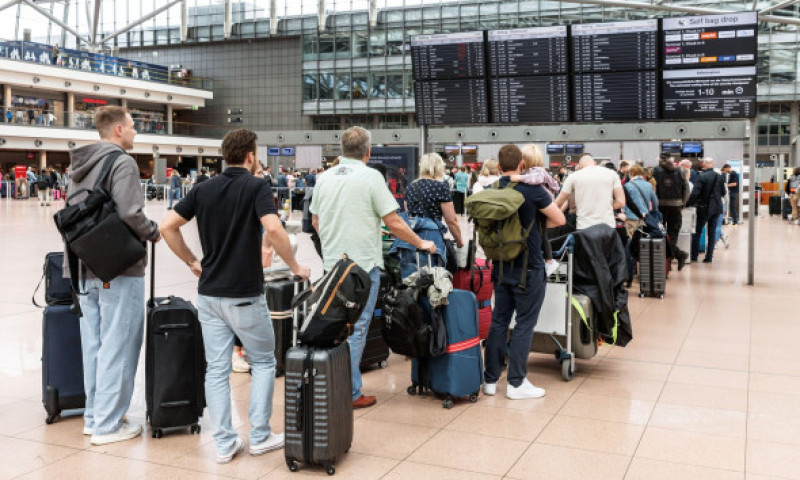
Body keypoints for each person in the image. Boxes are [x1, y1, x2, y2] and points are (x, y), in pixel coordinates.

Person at [160, 129, 310, 464]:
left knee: (216, 369)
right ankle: (259, 435)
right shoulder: (256, 185)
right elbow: (273, 228)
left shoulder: (202, 189)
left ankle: (225, 442)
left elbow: (167, 226)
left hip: (209, 295)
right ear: (251, 156)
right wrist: (296, 265)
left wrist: (192, 262)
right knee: (263, 361)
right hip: (244, 294)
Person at [310, 126, 435, 410]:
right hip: (362, 267)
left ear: (342, 150)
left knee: (337, 326)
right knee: (357, 328)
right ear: (368, 152)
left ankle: (333, 384)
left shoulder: (324, 178)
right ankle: (350, 393)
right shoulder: (371, 177)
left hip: (332, 265)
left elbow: (316, 222)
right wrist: (421, 243)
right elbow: (393, 222)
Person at [65, 106, 161, 445]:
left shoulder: (79, 164)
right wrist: (153, 231)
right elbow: (131, 212)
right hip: (118, 266)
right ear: (118, 129)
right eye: (134, 127)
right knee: (119, 345)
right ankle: (108, 425)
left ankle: (95, 417)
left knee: (95, 345)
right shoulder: (122, 162)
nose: (136, 132)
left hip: (83, 266)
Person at [483, 144, 565, 400]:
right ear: (522, 166)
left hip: (500, 265)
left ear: (499, 167)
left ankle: (489, 380)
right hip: (528, 268)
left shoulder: (493, 189)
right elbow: (559, 220)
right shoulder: (532, 190)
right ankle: (517, 383)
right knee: (524, 325)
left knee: (499, 321)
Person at [392, 153, 464, 279]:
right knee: (432, 283)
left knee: (410, 284)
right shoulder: (441, 187)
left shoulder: (411, 187)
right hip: (431, 238)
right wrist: (459, 242)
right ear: (439, 167)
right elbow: (451, 220)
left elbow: (408, 212)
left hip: (408, 239)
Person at [510, 145, 561, 276]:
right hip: (542, 206)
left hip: (543, 206)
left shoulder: (537, 172)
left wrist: (519, 178)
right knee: (541, 234)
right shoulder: (536, 171)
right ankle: (549, 260)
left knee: (542, 235)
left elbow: (535, 180)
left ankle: (549, 261)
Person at [555, 154, 625, 230]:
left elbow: (558, 202)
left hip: (584, 226)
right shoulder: (612, 174)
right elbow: (621, 202)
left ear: (580, 166)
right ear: (594, 163)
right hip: (608, 225)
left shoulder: (573, 176)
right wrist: (604, 207)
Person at [653, 155, 690, 269]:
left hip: (660, 208)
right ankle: (678, 255)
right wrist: (682, 203)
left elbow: (653, 189)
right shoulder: (681, 171)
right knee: (673, 235)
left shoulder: (655, 171)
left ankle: (668, 264)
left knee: (660, 234)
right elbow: (686, 189)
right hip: (676, 207)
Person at [686, 158, 726, 263]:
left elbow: (695, 193)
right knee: (711, 233)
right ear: (712, 164)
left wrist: (687, 204)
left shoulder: (701, 177)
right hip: (717, 207)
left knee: (697, 231)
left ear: (704, 164)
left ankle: (694, 256)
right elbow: (723, 192)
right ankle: (709, 257)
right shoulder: (720, 177)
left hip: (704, 208)